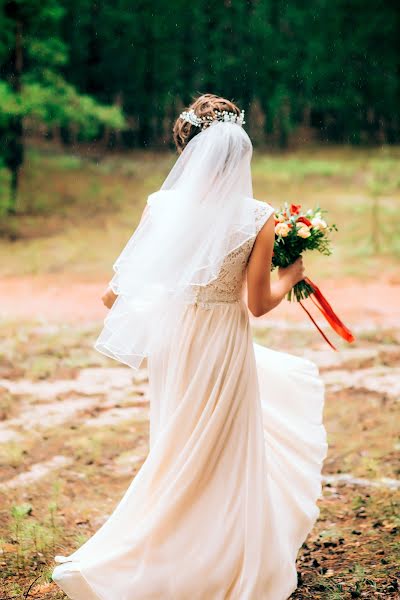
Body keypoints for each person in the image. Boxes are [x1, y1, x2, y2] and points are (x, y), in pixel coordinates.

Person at [52, 93, 328, 600]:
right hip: (223, 340)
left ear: (188, 151)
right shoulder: (257, 216)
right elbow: (259, 304)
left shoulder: (161, 205)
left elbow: (113, 293)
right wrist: (290, 275)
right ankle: (219, 552)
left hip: (178, 338)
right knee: (219, 445)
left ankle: (167, 546)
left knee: (177, 439)